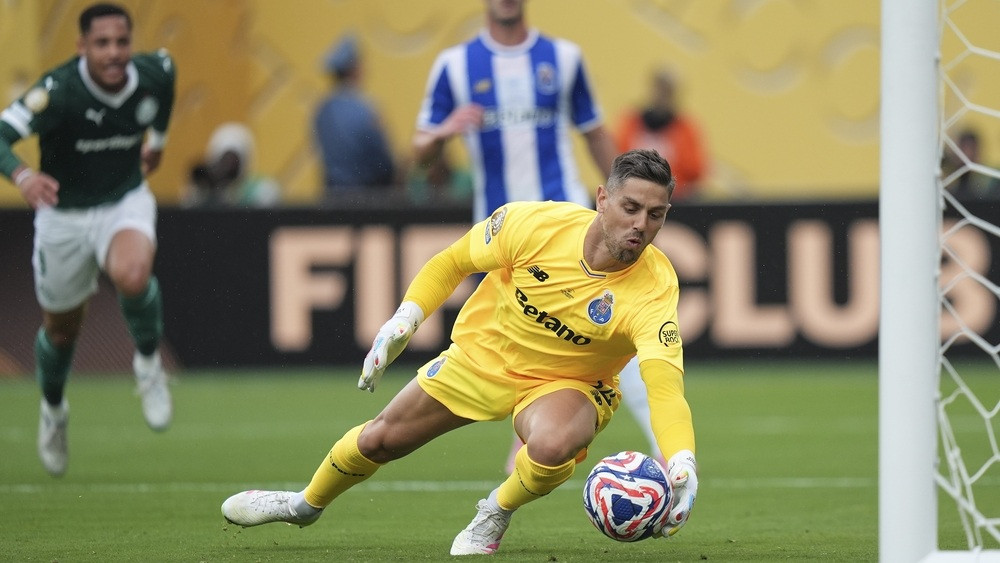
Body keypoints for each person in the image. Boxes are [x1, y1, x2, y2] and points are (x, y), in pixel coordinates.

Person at [220, 149, 699, 555]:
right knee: (379, 440)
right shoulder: (533, 225)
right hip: (484, 357)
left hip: (569, 383)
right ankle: (303, 506)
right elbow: (453, 261)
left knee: (553, 445)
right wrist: (404, 320)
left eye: (655, 215)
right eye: (631, 208)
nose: (641, 225)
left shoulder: (655, 288)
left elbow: (664, 387)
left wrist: (682, 460)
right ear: (602, 199)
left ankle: (496, 511)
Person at [411, 0, 664, 472]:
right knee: (527, 333)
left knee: (614, 329)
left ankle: (663, 448)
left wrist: (629, 207)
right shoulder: (455, 65)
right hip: (503, 235)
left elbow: (594, 133)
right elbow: (420, 154)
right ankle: (530, 436)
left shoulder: (563, 58)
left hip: (569, 223)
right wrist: (443, 132)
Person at [0, 2, 174, 476]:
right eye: (102, 44)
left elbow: (167, 84)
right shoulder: (57, 92)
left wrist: (157, 143)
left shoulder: (153, 72)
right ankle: (53, 408)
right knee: (61, 331)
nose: (113, 52)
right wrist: (22, 176)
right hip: (64, 215)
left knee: (132, 275)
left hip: (123, 200)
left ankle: (148, 364)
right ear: (81, 47)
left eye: (121, 42)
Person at [313, 33, 396, 200]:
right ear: (355, 68)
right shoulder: (365, 110)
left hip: (333, 198)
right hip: (365, 200)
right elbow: (382, 163)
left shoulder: (322, 111)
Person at [615, 67, 707, 203]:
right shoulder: (631, 122)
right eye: (659, 89)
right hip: (634, 196)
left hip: (675, 199)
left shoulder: (686, 127)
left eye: (668, 91)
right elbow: (617, 160)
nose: (662, 96)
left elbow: (695, 170)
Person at [183, 122, 281, 208]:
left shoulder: (262, 189)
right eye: (225, 159)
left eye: (234, 159)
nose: (228, 165)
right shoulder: (203, 190)